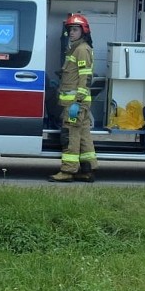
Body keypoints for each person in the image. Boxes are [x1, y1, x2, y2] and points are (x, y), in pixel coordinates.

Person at [49, 14, 98, 183]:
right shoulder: (76, 48)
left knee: (70, 135)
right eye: (70, 29)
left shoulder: (82, 50)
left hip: (75, 103)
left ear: (83, 31)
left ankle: (68, 171)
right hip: (77, 102)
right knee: (83, 135)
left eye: (75, 29)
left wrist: (77, 101)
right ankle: (87, 170)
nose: (71, 32)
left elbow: (85, 77)